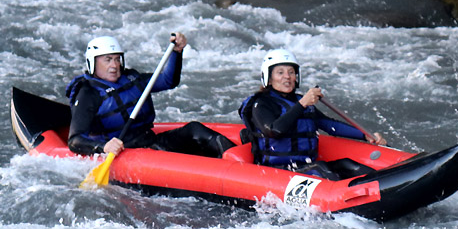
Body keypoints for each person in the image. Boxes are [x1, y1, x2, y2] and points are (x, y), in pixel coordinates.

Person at [65, 32, 235, 158]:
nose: (114, 65)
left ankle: (238, 159)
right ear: (92, 62)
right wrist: (103, 147)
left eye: (117, 59)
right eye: (107, 60)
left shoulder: (131, 78)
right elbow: (75, 141)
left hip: (150, 142)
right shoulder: (88, 93)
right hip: (124, 153)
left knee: (194, 129)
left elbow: (168, 81)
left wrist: (176, 52)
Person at [239, 48, 385, 179]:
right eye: (280, 72)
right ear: (269, 78)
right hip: (278, 171)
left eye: (291, 72)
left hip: (305, 166)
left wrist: (365, 135)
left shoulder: (299, 101)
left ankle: (383, 187)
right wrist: (302, 104)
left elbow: (330, 125)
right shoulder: (261, 104)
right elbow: (274, 131)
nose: (287, 77)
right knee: (321, 171)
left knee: (348, 165)